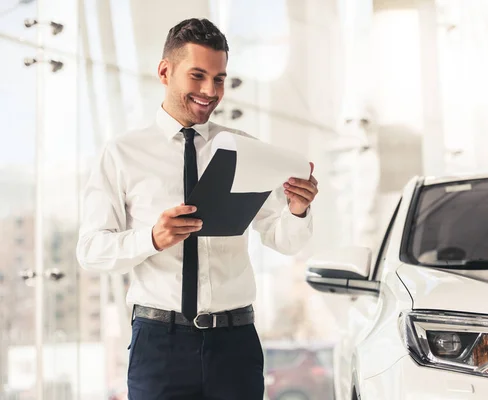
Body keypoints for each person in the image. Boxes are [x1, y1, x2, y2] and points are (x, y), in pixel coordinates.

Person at [76, 18, 318, 400]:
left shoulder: (243, 148)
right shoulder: (122, 154)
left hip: (235, 344)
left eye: (219, 79)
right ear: (164, 71)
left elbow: (283, 240)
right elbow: (91, 250)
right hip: (159, 344)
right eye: (198, 76)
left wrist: (298, 211)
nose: (210, 91)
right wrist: (152, 239)